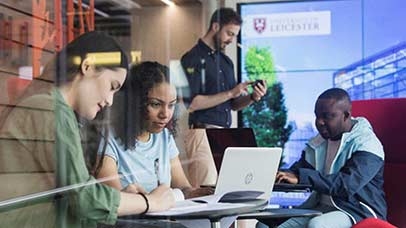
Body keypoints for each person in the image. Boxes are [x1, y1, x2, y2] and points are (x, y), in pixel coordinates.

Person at [0, 32, 174, 228]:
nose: (110, 100)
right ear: (88, 66)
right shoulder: (50, 110)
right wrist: (150, 202)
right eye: (111, 86)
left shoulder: (52, 109)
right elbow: (84, 199)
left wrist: (125, 200)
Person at [258, 88, 387, 228]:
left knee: (317, 225)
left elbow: (345, 186)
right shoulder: (318, 143)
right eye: (317, 116)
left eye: (326, 116)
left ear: (346, 115)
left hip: (357, 212)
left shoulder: (367, 144)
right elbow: (295, 173)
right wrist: (271, 176)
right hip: (320, 207)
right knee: (264, 226)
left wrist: (301, 177)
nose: (319, 122)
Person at [96, 61, 213, 199]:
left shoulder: (164, 137)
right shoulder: (108, 139)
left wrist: (196, 193)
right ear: (135, 103)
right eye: (156, 104)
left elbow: (182, 187)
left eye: (171, 105)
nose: (165, 114)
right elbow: (114, 201)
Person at [179, 8, 267, 187]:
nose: (231, 40)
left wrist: (252, 97)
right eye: (229, 33)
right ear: (215, 26)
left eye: (234, 35)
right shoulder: (191, 58)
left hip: (226, 134)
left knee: (230, 192)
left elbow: (233, 105)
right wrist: (230, 93)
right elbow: (192, 103)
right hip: (201, 133)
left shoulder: (227, 62)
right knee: (206, 191)